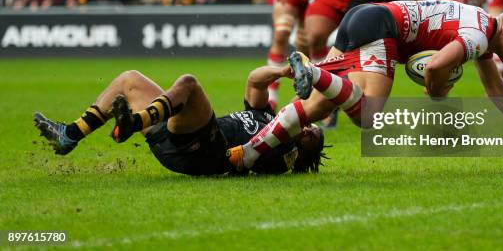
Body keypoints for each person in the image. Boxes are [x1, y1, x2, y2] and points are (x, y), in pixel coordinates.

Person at [227, 0, 503, 171]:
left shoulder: (480, 26)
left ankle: (246, 154)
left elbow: (494, 88)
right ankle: (312, 72)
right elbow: (435, 66)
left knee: (318, 106)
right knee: (369, 115)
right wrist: (436, 91)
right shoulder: (477, 36)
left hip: (365, 16)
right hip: (382, 27)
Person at [34, 66, 326, 175]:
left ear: (302, 148)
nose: (308, 124)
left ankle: (132, 124)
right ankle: (70, 135)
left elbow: (260, 164)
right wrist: (285, 70)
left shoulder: (280, 150)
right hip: (179, 136)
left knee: (188, 84)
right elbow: (254, 80)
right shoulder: (266, 117)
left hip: (204, 150)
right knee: (129, 80)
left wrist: (292, 152)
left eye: (311, 133)